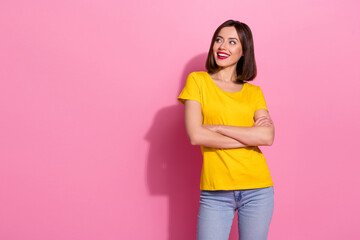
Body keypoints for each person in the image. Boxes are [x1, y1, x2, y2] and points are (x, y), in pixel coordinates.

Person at [177, 19, 275, 240]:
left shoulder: (254, 92)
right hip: (215, 192)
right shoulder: (197, 81)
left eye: (232, 42)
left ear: (243, 52)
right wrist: (250, 137)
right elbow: (196, 135)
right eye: (219, 40)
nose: (223, 46)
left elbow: (267, 136)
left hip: (258, 189)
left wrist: (219, 128)